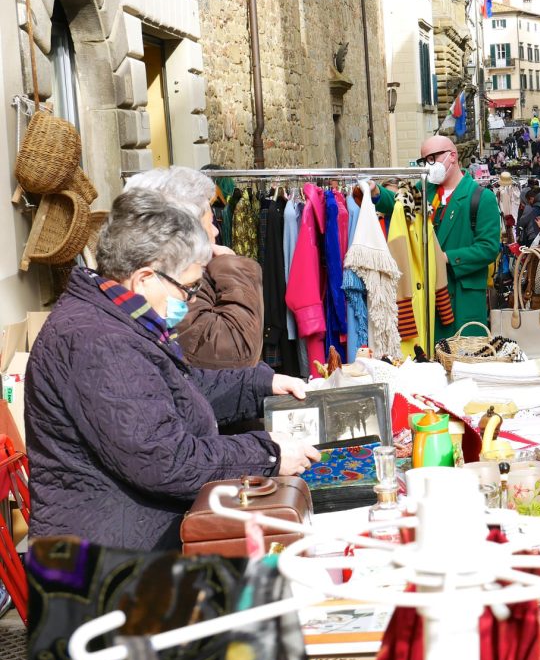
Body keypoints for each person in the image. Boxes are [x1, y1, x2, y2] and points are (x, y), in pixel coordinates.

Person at [24, 189, 320, 551]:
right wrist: (268, 454)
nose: (191, 299)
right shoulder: (99, 342)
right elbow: (165, 460)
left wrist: (261, 383)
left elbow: (178, 389)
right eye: (188, 288)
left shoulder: (115, 320)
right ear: (145, 278)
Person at [123, 166, 264, 370]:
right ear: (186, 233)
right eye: (209, 224)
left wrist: (263, 382)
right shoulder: (170, 283)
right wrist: (231, 266)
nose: (216, 230)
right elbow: (237, 353)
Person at [371, 135, 500, 341]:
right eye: (424, 160)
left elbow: (489, 248)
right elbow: (398, 203)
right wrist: (376, 192)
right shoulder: (424, 191)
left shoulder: (482, 197)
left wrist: (445, 257)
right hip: (428, 297)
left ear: (452, 157)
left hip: (461, 299)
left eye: (433, 158)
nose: (428, 165)